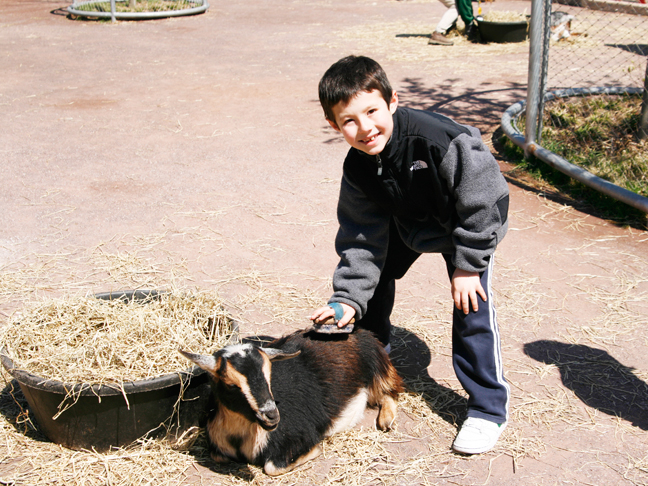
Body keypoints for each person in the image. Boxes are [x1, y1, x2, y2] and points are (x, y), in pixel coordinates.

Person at [310, 55, 510, 455]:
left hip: (463, 226)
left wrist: (468, 265)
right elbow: (361, 237)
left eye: (372, 111)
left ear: (393, 102)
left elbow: (485, 201)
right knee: (373, 275)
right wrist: (347, 297)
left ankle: (488, 409)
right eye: (349, 120)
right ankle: (374, 357)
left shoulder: (438, 140)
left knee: (471, 304)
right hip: (408, 223)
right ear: (334, 125)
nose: (365, 128)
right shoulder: (358, 168)